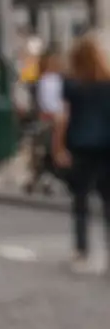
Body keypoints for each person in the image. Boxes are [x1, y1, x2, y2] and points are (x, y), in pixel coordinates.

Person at [54, 35, 110, 275]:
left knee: (80, 200)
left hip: (82, 147)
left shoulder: (72, 86)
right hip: (106, 147)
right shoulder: (107, 85)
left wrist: (58, 147)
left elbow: (62, 119)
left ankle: (81, 249)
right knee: (108, 202)